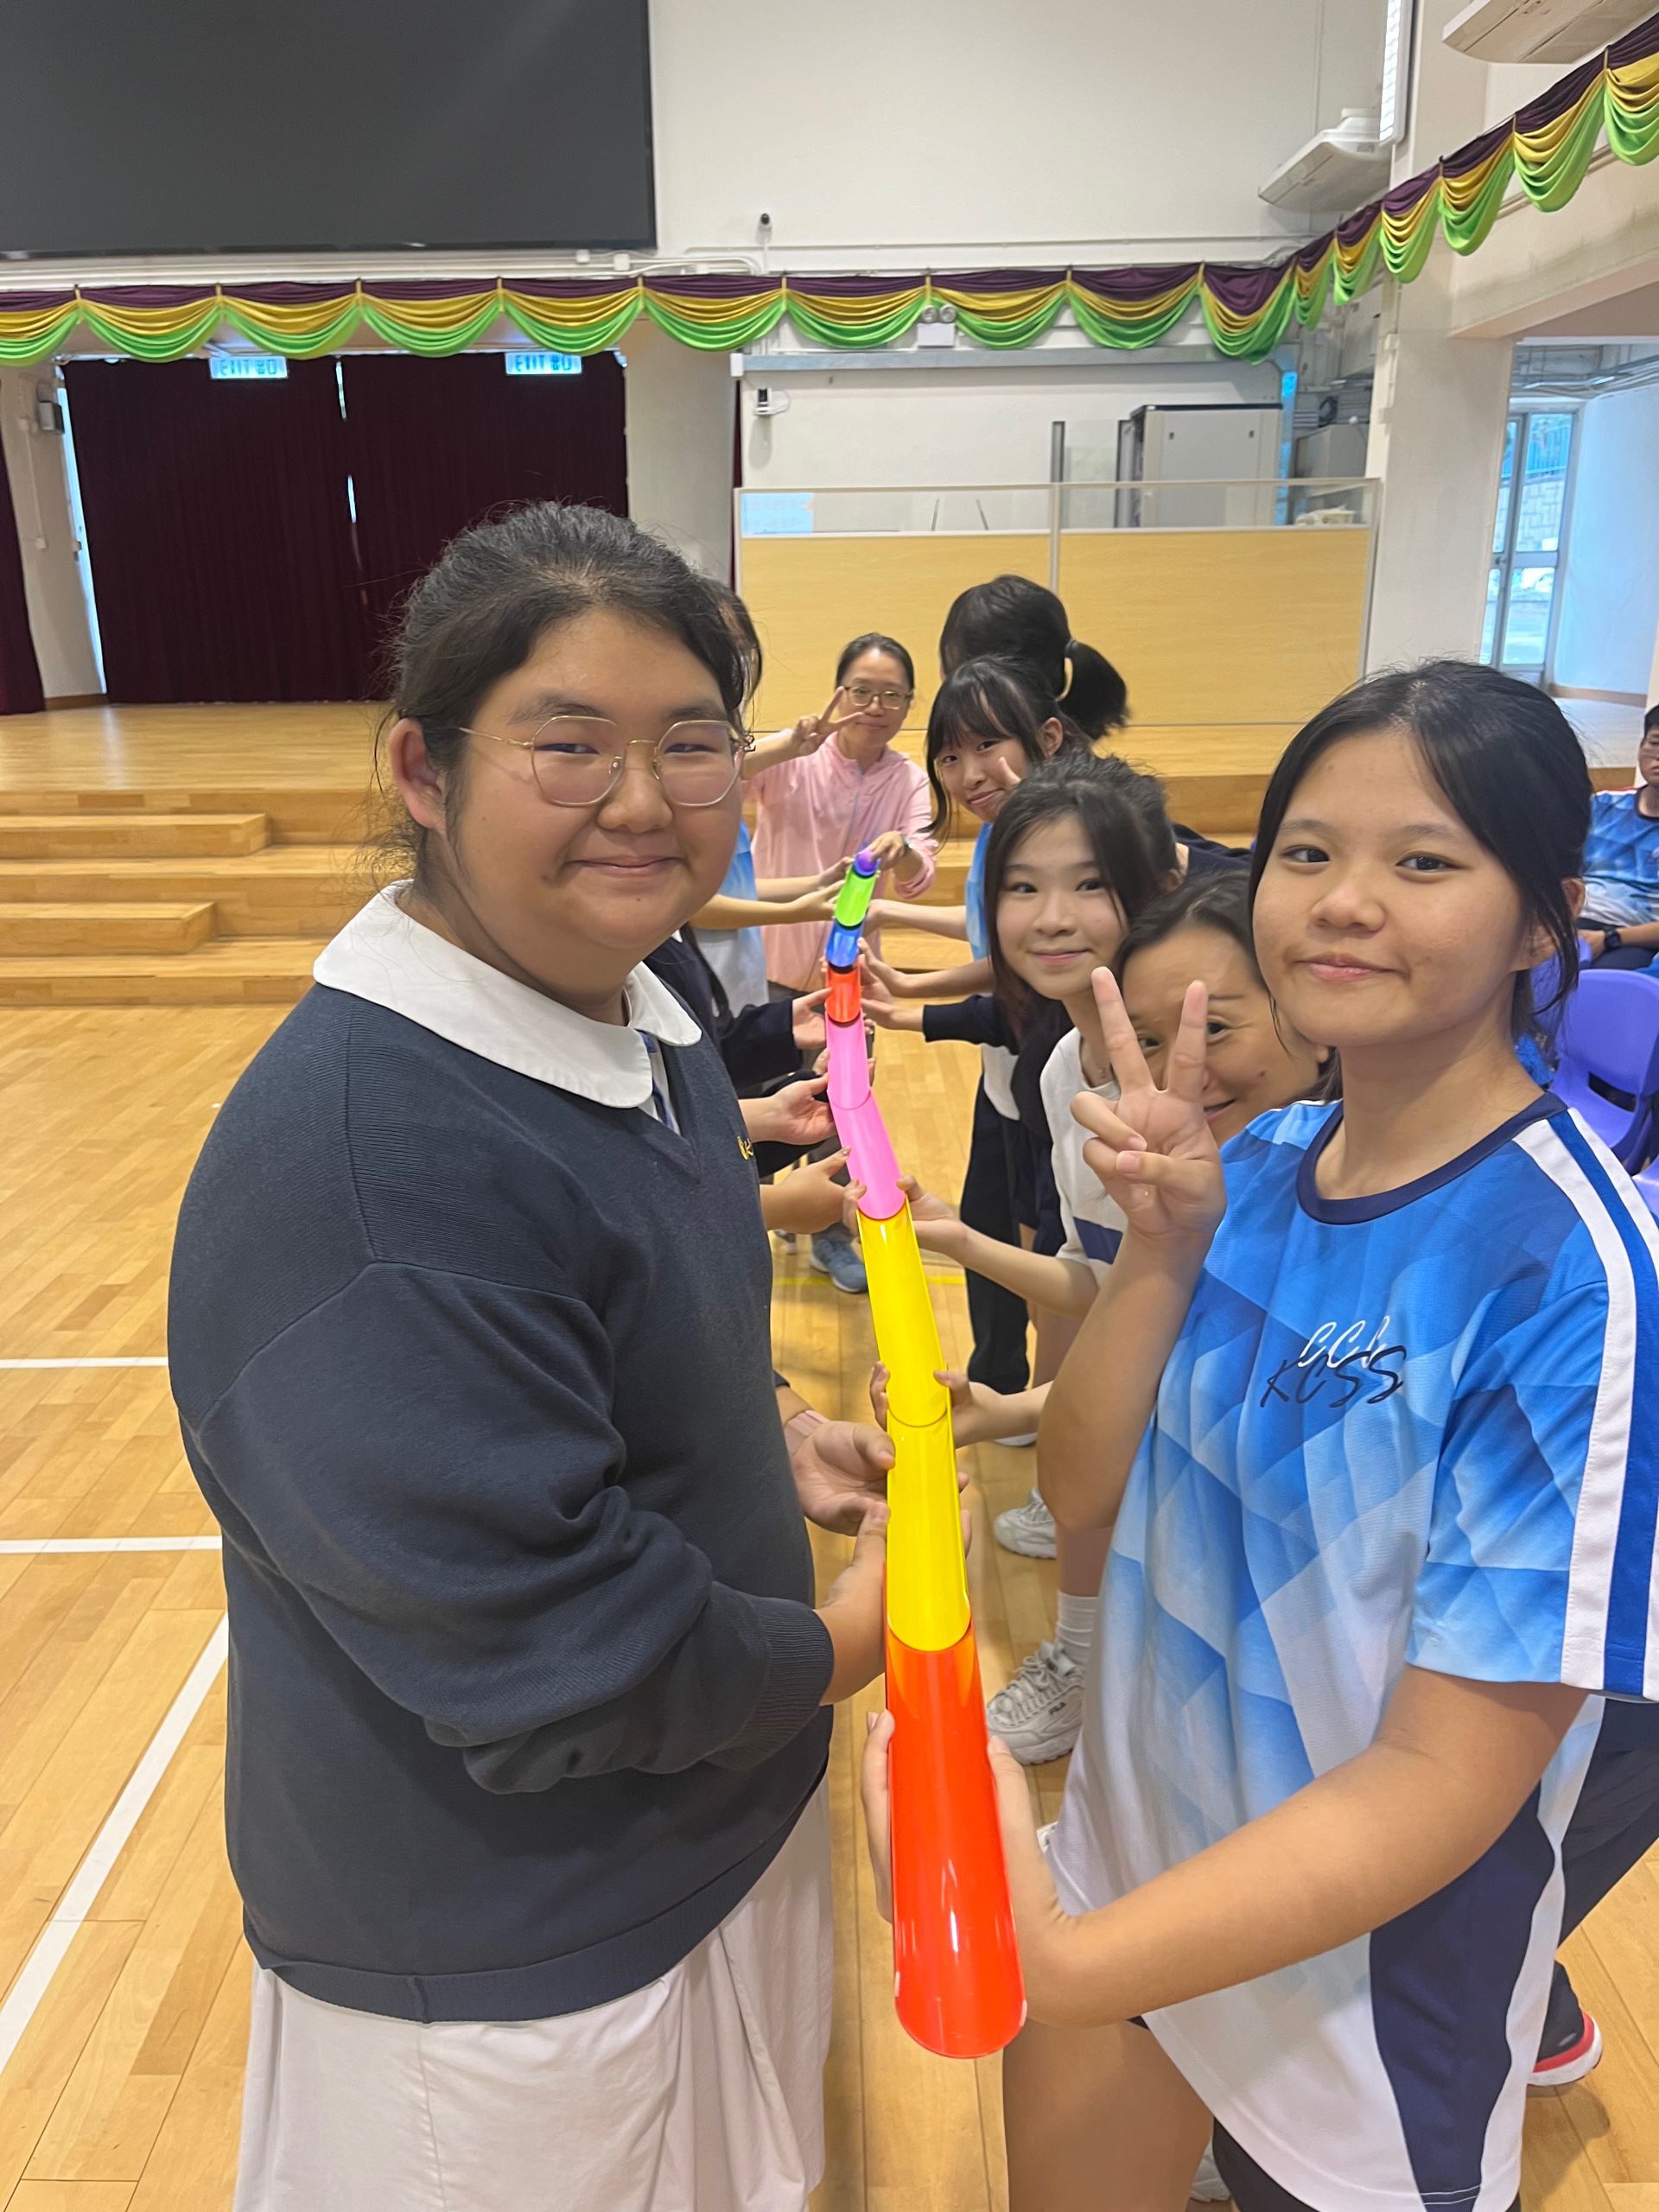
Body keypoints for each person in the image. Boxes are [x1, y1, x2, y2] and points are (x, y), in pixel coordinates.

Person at [168, 502, 899, 2212]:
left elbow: (632, 1303)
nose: (642, 799)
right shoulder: (365, 1173)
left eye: (692, 740)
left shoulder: (634, 1003)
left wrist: (764, 1419)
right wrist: (859, 1635)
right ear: (423, 770)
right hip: (511, 1967)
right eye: (568, 744)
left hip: (701, 1844)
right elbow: (564, 1660)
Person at [865, 658, 1659, 2212]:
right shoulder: (1271, 1155)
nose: (1344, 902)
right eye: (1308, 850)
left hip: (1356, 2006)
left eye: (1423, 861)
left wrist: (1064, 1959)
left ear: (1543, 918)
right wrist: (1162, 1252)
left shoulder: (1570, 1274)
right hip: (1132, 1858)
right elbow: (1084, 1499)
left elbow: (1442, 1780)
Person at [864, 756, 1177, 1764]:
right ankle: (1084, 1671)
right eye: (1023, 886)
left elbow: (1188, 1332)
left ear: (1156, 890)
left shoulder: (1192, 1083)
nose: (1052, 918)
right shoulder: (1060, 1063)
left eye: (1090, 884)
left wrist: (1010, 1411)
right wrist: (960, 1238)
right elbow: (1106, 1282)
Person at [865, 658, 1084, 1398]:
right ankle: (1008, 1391)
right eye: (950, 757)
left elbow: (1025, 978)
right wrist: (909, 992)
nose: (968, 774)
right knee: (1005, 1244)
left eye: (987, 746)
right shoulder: (999, 835)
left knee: (1057, 1274)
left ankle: (1042, 1423)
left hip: (1055, 1090)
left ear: (1046, 738)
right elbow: (1003, 958)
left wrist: (915, 1003)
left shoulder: (1058, 839)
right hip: (1011, 1082)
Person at [747, 632, 936, 994]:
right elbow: (725, 778)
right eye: (861, 692)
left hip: (847, 976)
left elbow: (918, 880)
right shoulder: (796, 753)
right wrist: (787, 747)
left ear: (908, 703)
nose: (875, 708)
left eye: (892, 695)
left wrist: (903, 850)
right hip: (764, 968)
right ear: (839, 693)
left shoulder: (909, 781)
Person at [1578, 702, 1659, 967]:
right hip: (1574, 920)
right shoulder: (1603, 804)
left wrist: (1610, 939)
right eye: (1655, 743)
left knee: (1597, 986)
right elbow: (1561, 870)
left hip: (1634, 938)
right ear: (1641, 746)